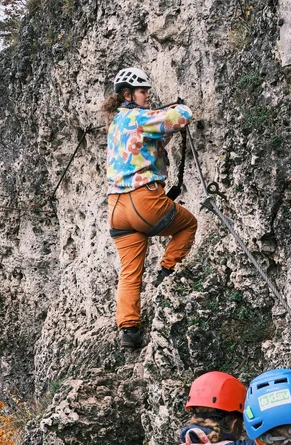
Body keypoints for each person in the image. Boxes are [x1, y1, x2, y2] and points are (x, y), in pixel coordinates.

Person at [101, 66, 197, 349]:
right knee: (188, 224)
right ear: (128, 94)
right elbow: (182, 117)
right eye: (143, 91)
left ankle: (129, 330)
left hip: (116, 208)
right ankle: (167, 271)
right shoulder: (139, 116)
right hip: (144, 200)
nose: (148, 95)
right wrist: (178, 106)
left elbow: (147, 142)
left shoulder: (115, 124)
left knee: (129, 272)